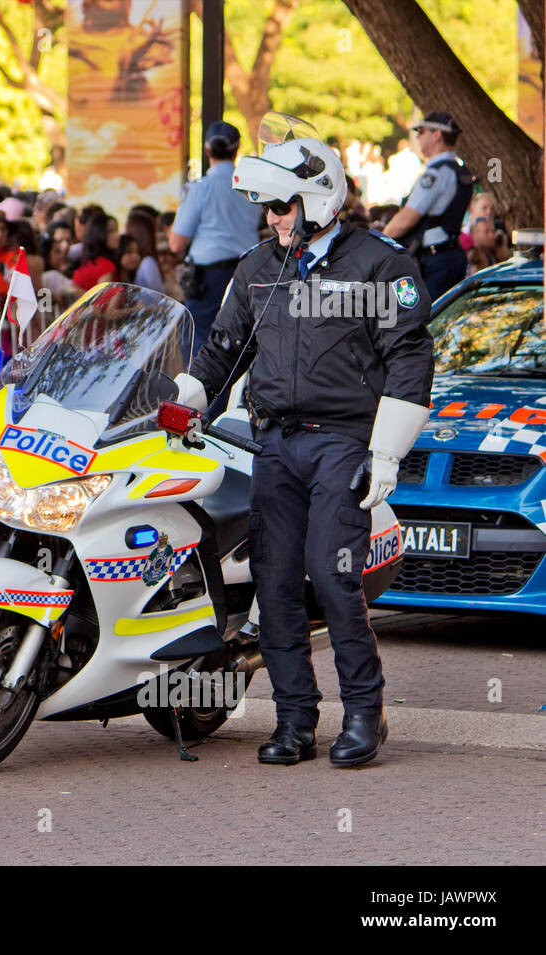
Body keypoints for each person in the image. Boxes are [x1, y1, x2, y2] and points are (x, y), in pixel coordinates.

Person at [175, 129, 434, 768]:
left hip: (341, 443)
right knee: (275, 579)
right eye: (268, 207)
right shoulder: (258, 266)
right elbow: (220, 349)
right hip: (271, 443)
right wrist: (184, 401)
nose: (271, 217)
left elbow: (410, 357)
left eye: (282, 205)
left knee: (334, 572)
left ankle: (365, 714)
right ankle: (294, 720)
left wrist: (386, 454)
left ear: (317, 199)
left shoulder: (379, 263)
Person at [169, 121, 264, 356]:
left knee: (200, 346)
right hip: (247, 272)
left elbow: (176, 243)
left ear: (207, 149)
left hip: (208, 279)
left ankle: (206, 394)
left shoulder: (200, 189)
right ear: (237, 149)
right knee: (242, 343)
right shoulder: (251, 189)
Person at [383, 111, 473, 301]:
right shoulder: (459, 170)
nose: (417, 136)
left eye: (421, 131)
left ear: (437, 135)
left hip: (435, 261)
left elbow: (406, 220)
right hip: (451, 254)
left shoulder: (436, 174)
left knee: (426, 320)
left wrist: (379, 239)